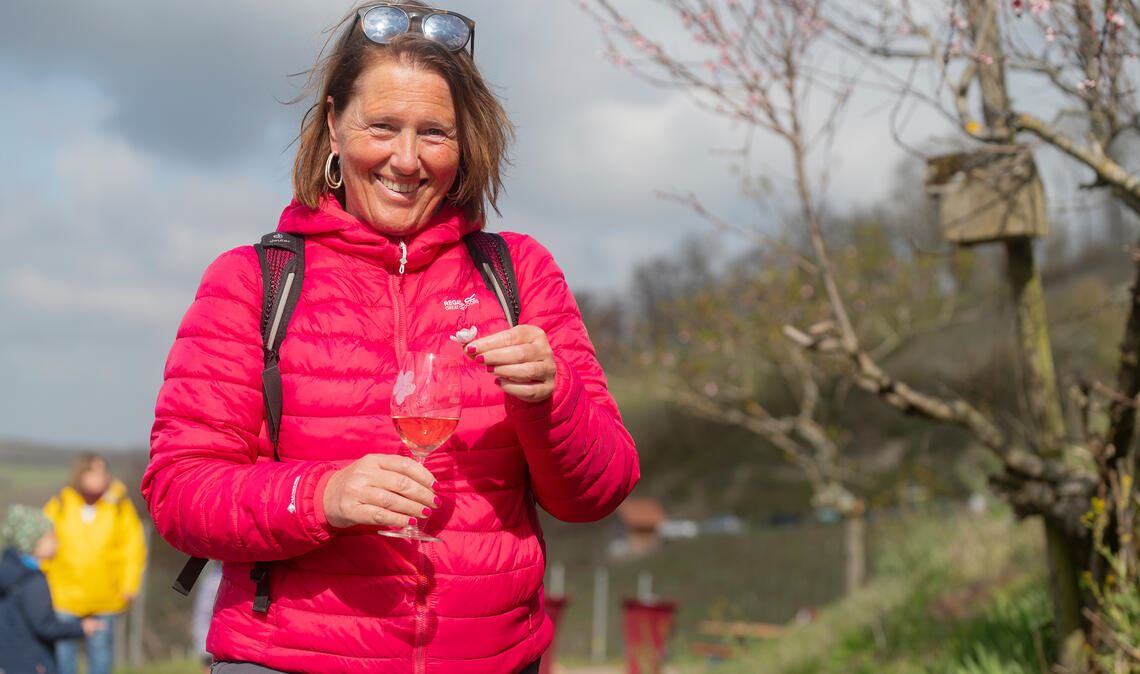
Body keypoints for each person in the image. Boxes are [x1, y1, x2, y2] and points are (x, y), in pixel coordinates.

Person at [141, 2, 640, 672]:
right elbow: (180, 492)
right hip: (288, 661)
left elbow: (598, 492)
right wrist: (322, 496)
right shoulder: (252, 283)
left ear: (466, 144)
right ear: (333, 125)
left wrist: (552, 400)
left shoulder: (518, 275)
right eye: (383, 126)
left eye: (435, 132)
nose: (406, 160)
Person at [42, 453, 147, 674]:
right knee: (62, 656)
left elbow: (133, 548)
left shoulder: (120, 506)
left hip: (106, 596)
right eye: (92, 471)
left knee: (101, 655)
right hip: (63, 596)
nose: (99, 477)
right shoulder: (60, 504)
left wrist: (129, 585)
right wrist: (43, 582)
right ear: (79, 474)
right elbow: (42, 544)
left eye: (102, 471)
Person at [0, 505, 105, 674]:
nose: (57, 543)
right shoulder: (32, 581)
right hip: (33, 663)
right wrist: (80, 628)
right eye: (51, 537)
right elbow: (44, 625)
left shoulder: (9, 573)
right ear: (32, 541)